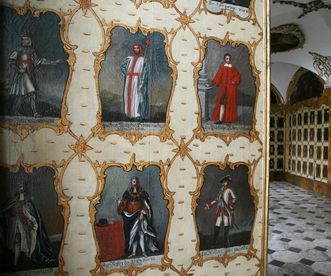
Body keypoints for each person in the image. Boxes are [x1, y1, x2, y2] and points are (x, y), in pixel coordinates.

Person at [0, 181, 56, 266]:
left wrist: (30, 221)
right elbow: (6, 211)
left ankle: (21, 261)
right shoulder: (14, 200)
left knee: (21, 241)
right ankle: (15, 263)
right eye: (19, 187)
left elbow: (34, 216)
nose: (21, 188)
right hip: (15, 224)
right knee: (17, 241)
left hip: (25, 226)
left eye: (22, 187)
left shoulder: (29, 201)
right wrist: (12, 215)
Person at [8, 34, 63, 117]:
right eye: (25, 39)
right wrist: (18, 68)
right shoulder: (18, 50)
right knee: (27, 94)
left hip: (30, 74)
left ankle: (26, 112)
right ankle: (28, 112)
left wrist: (54, 62)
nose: (26, 41)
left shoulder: (33, 51)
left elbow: (39, 61)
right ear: (22, 41)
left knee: (28, 94)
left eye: (28, 39)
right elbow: (11, 61)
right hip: (22, 75)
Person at [117, 177, 158, 257]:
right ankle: (133, 252)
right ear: (131, 183)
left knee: (141, 234)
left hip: (139, 215)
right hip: (130, 217)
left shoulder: (142, 192)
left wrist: (143, 212)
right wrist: (118, 201)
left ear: (137, 183)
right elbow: (123, 204)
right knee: (133, 235)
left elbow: (146, 205)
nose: (134, 183)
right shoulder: (127, 192)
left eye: (135, 182)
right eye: (132, 182)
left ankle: (143, 252)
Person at [204, 175, 236, 247]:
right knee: (217, 226)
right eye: (224, 182)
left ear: (227, 182)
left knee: (226, 226)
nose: (225, 183)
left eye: (226, 182)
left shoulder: (229, 190)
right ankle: (214, 243)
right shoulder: (220, 191)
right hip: (219, 211)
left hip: (226, 211)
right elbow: (216, 200)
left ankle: (225, 243)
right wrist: (208, 206)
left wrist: (231, 205)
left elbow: (234, 198)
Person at [209, 53, 241, 124]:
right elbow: (218, 77)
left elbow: (238, 76)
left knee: (230, 104)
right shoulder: (222, 68)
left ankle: (229, 119)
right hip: (223, 89)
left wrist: (234, 81)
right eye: (227, 58)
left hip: (231, 89)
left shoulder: (233, 68)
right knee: (221, 104)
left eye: (229, 59)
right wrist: (213, 83)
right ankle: (220, 119)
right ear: (224, 59)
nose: (228, 60)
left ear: (230, 59)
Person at [120, 43, 150, 120]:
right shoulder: (129, 58)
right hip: (129, 78)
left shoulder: (143, 60)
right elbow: (122, 67)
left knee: (136, 96)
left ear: (140, 49)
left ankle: (136, 114)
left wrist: (141, 83)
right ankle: (128, 114)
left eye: (137, 48)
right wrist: (126, 73)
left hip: (137, 79)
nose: (136, 49)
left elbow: (145, 72)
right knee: (128, 95)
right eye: (134, 48)